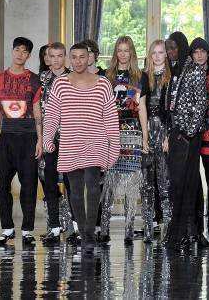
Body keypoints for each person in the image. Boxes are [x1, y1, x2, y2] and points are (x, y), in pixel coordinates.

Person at [43, 43, 120, 255]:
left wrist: (114, 146)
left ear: (89, 59)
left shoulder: (103, 84)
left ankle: (89, 231)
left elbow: (111, 118)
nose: (78, 61)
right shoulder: (60, 84)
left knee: (93, 187)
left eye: (82, 57)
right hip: (70, 142)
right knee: (75, 190)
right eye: (74, 57)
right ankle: (85, 235)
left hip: (96, 141)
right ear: (70, 60)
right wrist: (48, 138)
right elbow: (51, 114)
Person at [0, 37, 43, 246]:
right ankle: (7, 228)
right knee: (3, 184)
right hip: (7, 136)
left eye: (24, 51)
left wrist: (40, 139)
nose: (20, 54)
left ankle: (28, 230)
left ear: (28, 55)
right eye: (17, 50)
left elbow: (38, 110)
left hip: (29, 135)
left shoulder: (34, 79)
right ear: (12, 51)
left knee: (29, 184)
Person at [100, 36, 149, 245]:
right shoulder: (106, 76)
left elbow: (143, 108)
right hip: (110, 133)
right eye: (119, 50)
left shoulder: (141, 76)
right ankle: (104, 228)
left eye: (126, 50)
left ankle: (129, 228)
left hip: (133, 133)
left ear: (131, 53)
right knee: (109, 182)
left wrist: (145, 137)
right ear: (115, 53)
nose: (122, 54)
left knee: (131, 183)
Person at [164, 31, 207, 251]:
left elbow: (201, 105)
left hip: (189, 136)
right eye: (168, 48)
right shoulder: (174, 71)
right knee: (178, 184)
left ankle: (188, 232)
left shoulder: (194, 70)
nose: (170, 52)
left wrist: (188, 133)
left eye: (173, 48)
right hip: (176, 134)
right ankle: (181, 230)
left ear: (181, 46)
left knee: (186, 184)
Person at [39, 42, 72, 245]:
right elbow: (38, 109)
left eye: (60, 56)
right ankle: (54, 227)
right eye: (53, 56)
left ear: (64, 57)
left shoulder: (72, 77)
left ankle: (75, 227)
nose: (57, 60)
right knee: (49, 181)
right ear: (48, 58)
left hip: (69, 137)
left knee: (71, 182)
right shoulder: (43, 79)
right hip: (49, 137)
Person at [190, 37, 209, 245]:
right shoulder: (188, 77)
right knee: (194, 187)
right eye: (196, 52)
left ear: (208, 54)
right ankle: (198, 230)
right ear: (191, 55)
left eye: (203, 51)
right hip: (192, 139)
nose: (199, 55)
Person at [142, 40, 172, 242]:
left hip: (164, 129)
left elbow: (173, 109)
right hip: (147, 128)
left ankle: (167, 223)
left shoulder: (172, 77)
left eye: (161, 52)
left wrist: (168, 135)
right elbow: (140, 106)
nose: (158, 56)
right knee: (147, 179)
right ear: (150, 55)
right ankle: (148, 222)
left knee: (164, 178)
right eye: (154, 52)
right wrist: (143, 136)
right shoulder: (144, 76)